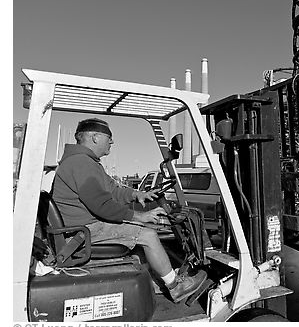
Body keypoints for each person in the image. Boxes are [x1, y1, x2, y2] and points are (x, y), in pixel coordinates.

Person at [52, 118, 207, 302]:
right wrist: (140, 216)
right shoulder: (81, 164)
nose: (112, 142)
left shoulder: (85, 162)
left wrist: (138, 195)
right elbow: (102, 206)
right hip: (84, 231)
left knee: (142, 234)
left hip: (83, 226)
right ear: (94, 137)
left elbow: (113, 189)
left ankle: (156, 281)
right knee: (148, 236)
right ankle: (176, 286)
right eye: (108, 137)